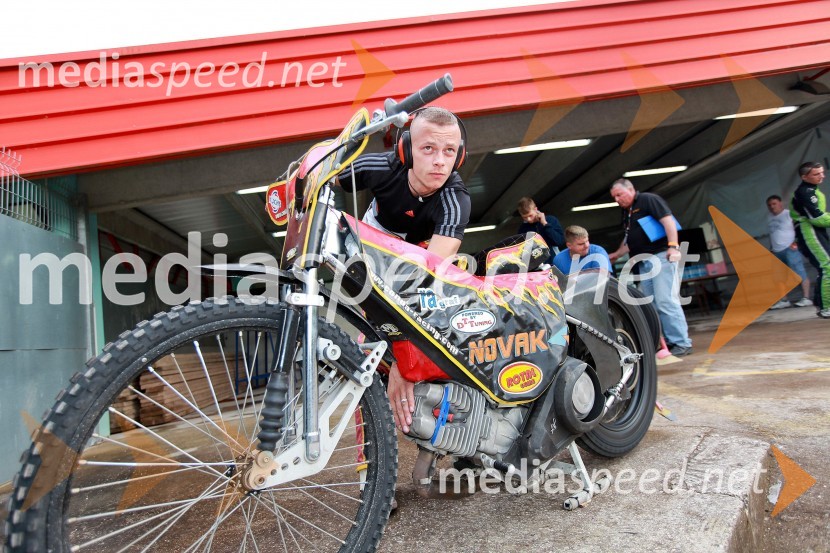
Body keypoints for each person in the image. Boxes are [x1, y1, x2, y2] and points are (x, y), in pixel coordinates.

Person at [338, 106, 470, 432]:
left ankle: (454, 428)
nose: (440, 161)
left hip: (420, 255)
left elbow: (425, 281)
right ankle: (370, 451)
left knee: (449, 313)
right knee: (367, 356)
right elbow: (324, 174)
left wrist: (404, 359)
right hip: (374, 243)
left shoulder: (456, 199)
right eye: (428, 148)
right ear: (406, 150)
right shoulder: (381, 167)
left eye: (449, 151)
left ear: (459, 156)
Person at [608, 178, 693, 356]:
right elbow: (630, 238)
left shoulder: (648, 200)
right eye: (614, 197)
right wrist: (617, 254)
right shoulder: (627, 211)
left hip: (661, 256)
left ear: (631, 189)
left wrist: (673, 246)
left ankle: (681, 342)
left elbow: (668, 221)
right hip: (643, 261)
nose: (617, 200)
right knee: (650, 305)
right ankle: (667, 343)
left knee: (665, 300)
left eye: (619, 195)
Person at [790, 162, 830, 319]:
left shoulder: (812, 190)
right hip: (809, 232)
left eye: (822, 172)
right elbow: (817, 218)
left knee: (824, 268)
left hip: (814, 232)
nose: (822, 176)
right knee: (827, 266)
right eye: (816, 174)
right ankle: (826, 308)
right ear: (804, 177)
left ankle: (821, 304)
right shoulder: (804, 192)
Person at [766, 194, 812, 309]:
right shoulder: (769, 217)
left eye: (774, 204)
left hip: (790, 249)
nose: (772, 207)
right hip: (776, 252)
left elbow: (800, 228)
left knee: (799, 273)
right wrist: (771, 248)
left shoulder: (788, 214)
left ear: (780, 204)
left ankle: (806, 298)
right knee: (779, 278)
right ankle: (784, 300)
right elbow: (773, 234)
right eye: (769, 205)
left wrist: (796, 242)